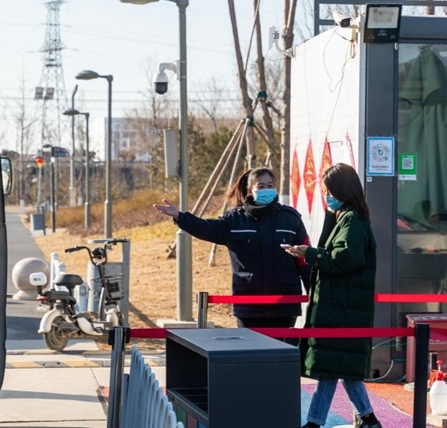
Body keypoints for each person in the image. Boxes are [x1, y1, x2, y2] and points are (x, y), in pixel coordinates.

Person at [283, 163, 382, 428]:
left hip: (343, 309)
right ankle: (369, 419)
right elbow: (337, 254)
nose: (326, 196)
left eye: (329, 191)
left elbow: (344, 258)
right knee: (343, 370)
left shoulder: (353, 221)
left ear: (342, 190)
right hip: (343, 308)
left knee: (330, 370)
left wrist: (309, 254)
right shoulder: (347, 218)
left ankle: (315, 423)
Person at [154, 167, 310, 329]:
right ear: (250, 191)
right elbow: (205, 227)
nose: (267, 190)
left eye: (270, 185)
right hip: (248, 303)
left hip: (284, 303)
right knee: (249, 346)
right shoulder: (234, 220)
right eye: (261, 186)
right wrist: (180, 216)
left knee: (282, 346)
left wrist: (314, 293)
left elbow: (305, 260)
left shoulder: (290, 219)